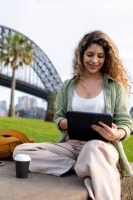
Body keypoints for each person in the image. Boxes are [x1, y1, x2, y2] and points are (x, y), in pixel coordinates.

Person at [13, 31, 133, 200]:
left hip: (101, 147)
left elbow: (126, 122)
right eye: (90, 55)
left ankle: (90, 164)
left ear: (106, 58)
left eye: (100, 56)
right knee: (22, 151)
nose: (95, 60)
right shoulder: (67, 86)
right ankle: (81, 166)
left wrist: (117, 133)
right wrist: (69, 124)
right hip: (71, 147)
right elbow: (58, 117)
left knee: (93, 148)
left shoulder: (114, 87)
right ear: (81, 54)